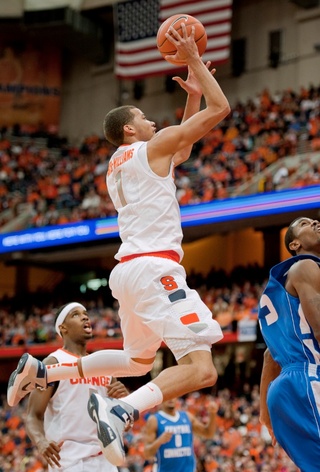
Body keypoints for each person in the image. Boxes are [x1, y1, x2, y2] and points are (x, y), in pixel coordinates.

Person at [7, 23, 230, 467]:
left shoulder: (118, 162)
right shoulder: (153, 146)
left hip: (128, 270)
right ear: (130, 129)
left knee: (136, 361)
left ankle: (45, 369)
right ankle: (120, 410)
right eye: (145, 118)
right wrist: (195, 63)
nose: (152, 121)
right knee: (203, 370)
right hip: (155, 269)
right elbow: (220, 108)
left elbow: (180, 148)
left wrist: (190, 93)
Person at [25, 302, 129, 471]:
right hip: (69, 461)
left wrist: (123, 401)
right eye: (76, 314)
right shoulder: (53, 363)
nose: (85, 317)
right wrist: (41, 441)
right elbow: (32, 415)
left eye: (85, 313)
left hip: (106, 459)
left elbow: (120, 417)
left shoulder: (102, 364)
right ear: (63, 328)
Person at [258, 216, 320, 472]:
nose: (316, 222)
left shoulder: (280, 287)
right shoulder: (305, 266)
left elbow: (269, 358)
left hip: (287, 385)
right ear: (294, 244)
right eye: (305, 224)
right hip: (308, 378)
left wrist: (265, 414)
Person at [143, 397, 218, 472]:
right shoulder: (154, 419)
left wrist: (213, 414)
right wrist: (159, 441)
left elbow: (208, 434)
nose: (171, 399)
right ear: (161, 399)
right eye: (168, 395)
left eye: (173, 396)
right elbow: (147, 454)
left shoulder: (187, 416)